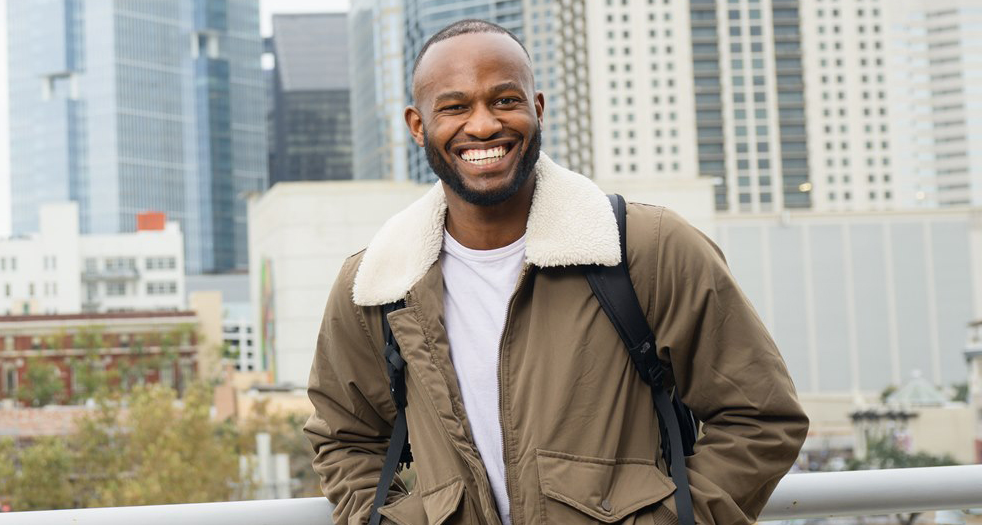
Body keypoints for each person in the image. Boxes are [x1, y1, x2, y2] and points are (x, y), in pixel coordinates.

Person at [302, 19, 807, 525]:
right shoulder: (376, 283)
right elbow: (344, 437)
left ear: (537, 108)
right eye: (455, 107)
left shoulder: (647, 248)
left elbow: (760, 417)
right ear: (417, 125)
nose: (482, 126)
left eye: (504, 100)